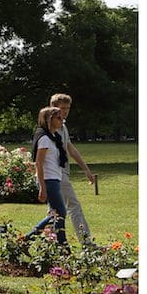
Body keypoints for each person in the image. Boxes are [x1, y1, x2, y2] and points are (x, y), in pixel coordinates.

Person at [49, 93, 96, 247]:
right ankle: (86, 242)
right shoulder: (50, 127)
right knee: (73, 206)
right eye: (62, 108)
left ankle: (52, 243)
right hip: (55, 173)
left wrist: (86, 170)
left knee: (54, 211)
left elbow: (72, 150)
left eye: (68, 108)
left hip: (61, 172)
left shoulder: (63, 126)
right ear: (53, 108)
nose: (65, 111)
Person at [27, 106, 69, 247]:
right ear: (48, 120)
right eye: (58, 117)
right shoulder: (44, 139)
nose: (62, 119)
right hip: (48, 180)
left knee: (55, 214)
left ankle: (58, 244)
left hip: (54, 179)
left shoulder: (54, 138)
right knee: (60, 213)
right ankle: (61, 245)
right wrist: (42, 188)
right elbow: (38, 163)